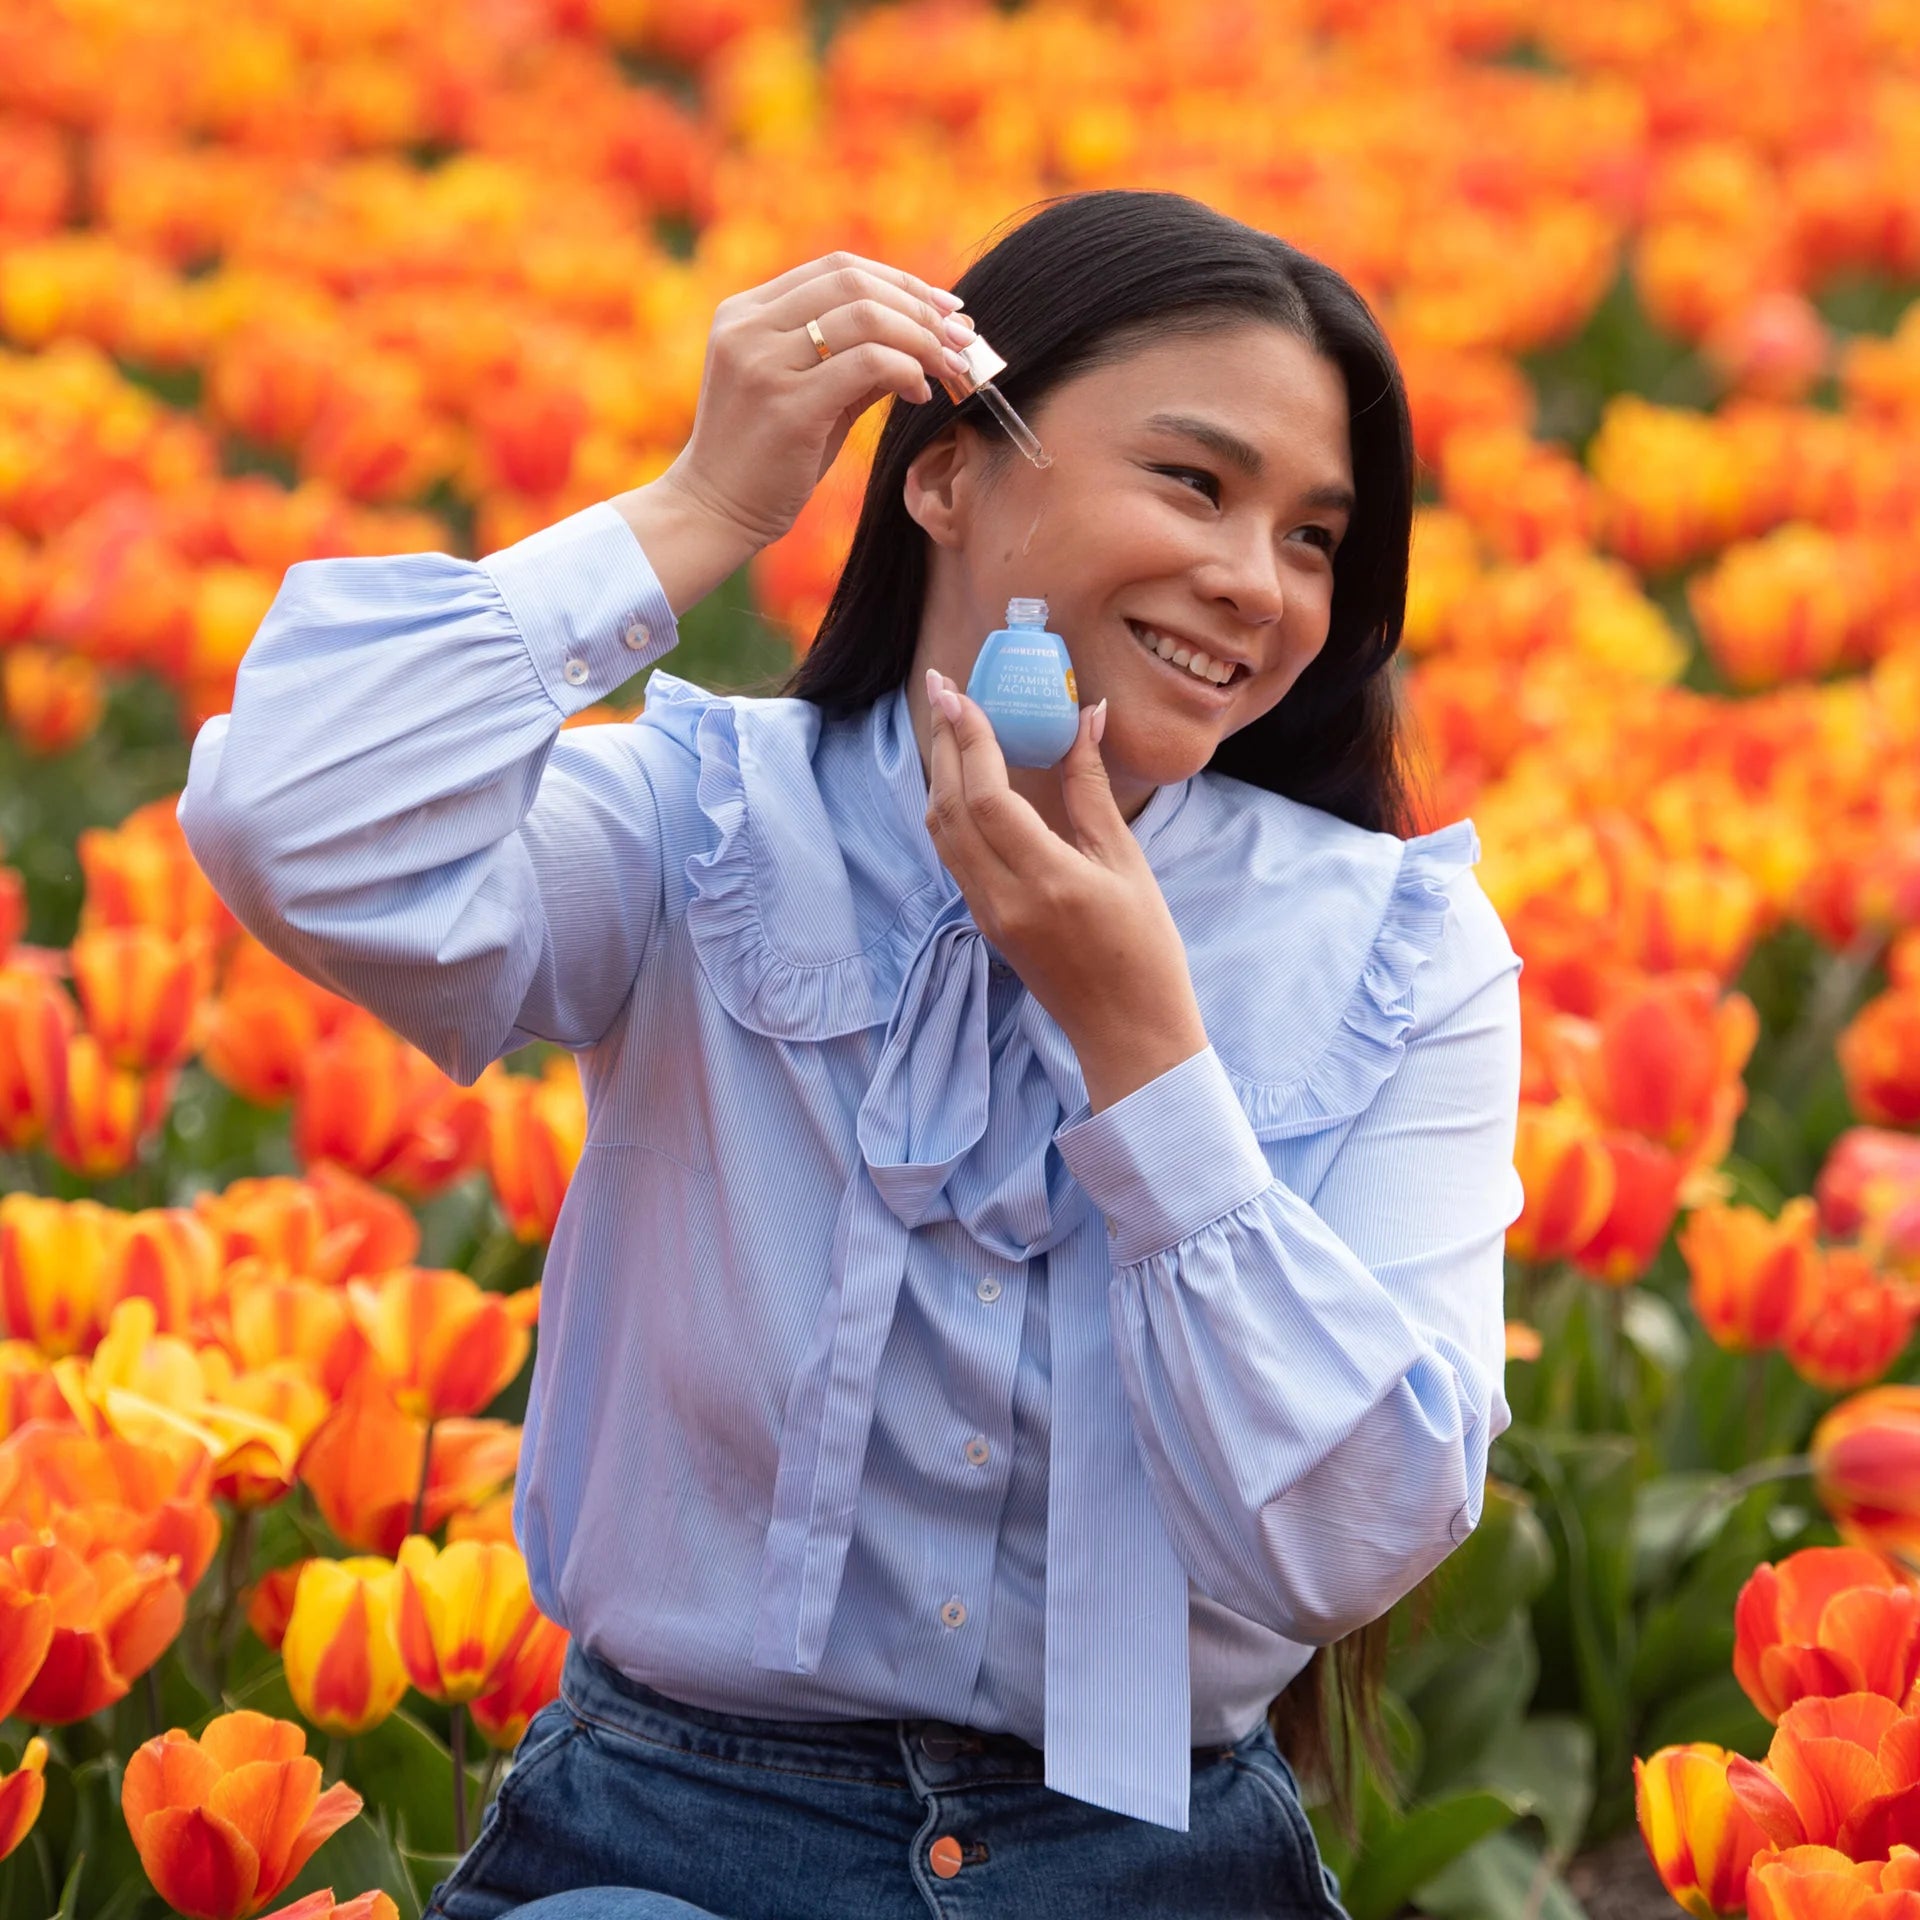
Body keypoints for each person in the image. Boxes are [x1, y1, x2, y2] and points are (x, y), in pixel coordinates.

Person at [179, 190, 1523, 1920]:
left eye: (1318, 538)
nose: (1255, 582)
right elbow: (295, 827)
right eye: (1194, 484)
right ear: (946, 473)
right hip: (673, 1831)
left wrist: (1144, 1054)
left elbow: (1358, 1533)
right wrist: (698, 506)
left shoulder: (1394, 949)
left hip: (1157, 1857)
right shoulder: (707, 828)